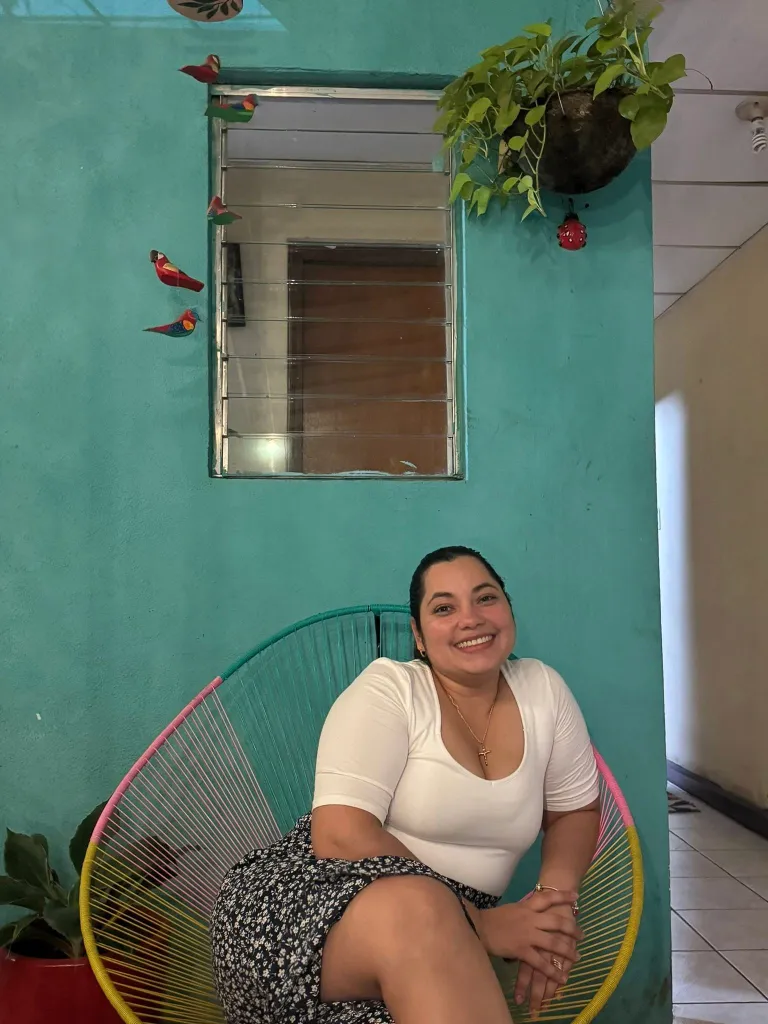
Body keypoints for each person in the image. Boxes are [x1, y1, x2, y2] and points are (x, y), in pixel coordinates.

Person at [211, 546, 600, 1024]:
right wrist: (481, 924)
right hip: (309, 904)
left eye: (486, 599)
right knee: (421, 907)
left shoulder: (543, 690)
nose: (470, 619)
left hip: (435, 934)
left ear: (508, 608)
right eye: (444, 608)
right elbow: (337, 835)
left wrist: (551, 909)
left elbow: (574, 811)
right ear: (417, 634)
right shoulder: (391, 689)